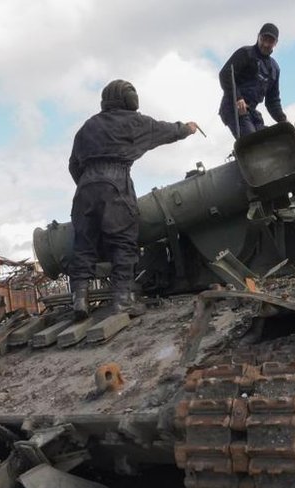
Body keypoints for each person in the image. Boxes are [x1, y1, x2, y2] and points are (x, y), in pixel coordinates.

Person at [68, 79, 198, 319]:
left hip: (85, 187)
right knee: (123, 243)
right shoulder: (134, 122)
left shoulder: (88, 126)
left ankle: (79, 300)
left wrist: (90, 187)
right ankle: (123, 301)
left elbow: (73, 165)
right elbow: (166, 130)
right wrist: (187, 128)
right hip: (116, 182)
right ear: (129, 100)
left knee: (83, 245)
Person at [218, 23, 287, 138]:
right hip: (233, 108)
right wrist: (238, 98)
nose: (265, 44)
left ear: (275, 43)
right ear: (258, 37)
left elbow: (273, 101)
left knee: (272, 138)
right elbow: (225, 75)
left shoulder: (274, 69)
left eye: (270, 41)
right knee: (253, 141)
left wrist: (282, 120)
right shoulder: (245, 53)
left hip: (252, 112)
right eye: (263, 39)